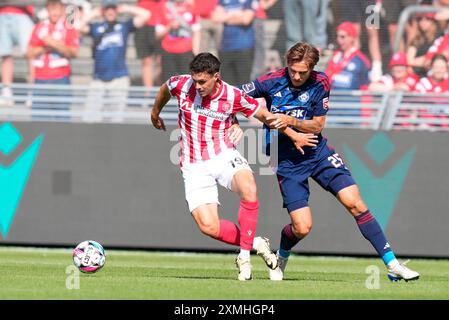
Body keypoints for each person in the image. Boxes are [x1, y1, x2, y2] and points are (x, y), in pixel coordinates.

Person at [240, 42, 420, 282]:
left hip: (318, 152)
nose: (296, 76)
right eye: (292, 70)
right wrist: (233, 121)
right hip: (287, 161)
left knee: (354, 202)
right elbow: (234, 95)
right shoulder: (271, 81)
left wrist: (288, 120)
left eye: (302, 72)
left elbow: (317, 125)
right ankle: (281, 256)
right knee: (302, 227)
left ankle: (393, 264)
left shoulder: (321, 82)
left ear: (312, 68)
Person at [150, 52, 318, 280]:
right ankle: (256, 242)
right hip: (193, 164)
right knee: (208, 226)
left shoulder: (232, 95)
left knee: (249, 188)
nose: (197, 86)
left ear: (216, 77)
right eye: (195, 80)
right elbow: (164, 89)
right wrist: (155, 113)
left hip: (223, 155)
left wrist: (292, 133)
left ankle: (244, 257)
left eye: (202, 82)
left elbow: (265, 116)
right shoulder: (181, 84)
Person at [77, 0, 150, 122]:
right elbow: (74, 25)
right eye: (107, 8)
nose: (110, 11)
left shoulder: (124, 26)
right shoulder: (96, 27)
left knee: (116, 119)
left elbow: (146, 15)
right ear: (103, 10)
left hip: (119, 78)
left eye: (113, 8)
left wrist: (126, 8)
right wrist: (93, 14)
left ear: (117, 10)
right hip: (98, 79)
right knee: (89, 118)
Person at [27, 0, 79, 114]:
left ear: (62, 9)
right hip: (40, 80)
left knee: (62, 119)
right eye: (51, 8)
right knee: (39, 122)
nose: (54, 12)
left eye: (57, 8)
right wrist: (46, 47)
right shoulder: (40, 27)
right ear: (47, 9)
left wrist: (54, 43)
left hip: (61, 79)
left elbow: (74, 52)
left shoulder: (68, 27)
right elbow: (29, 53)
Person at [211, 0, 256, 85]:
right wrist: (236, 14)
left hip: (244, 48)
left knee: (243, 86)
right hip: (225, 48)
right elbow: (215, 17)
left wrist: (225, 17)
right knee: (227, 86)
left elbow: (246, 19)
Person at [156, 0, 201, 83]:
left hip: (186, 52)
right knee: (168, 84)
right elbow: (158, 35)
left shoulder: (191, 7)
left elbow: (197, 31)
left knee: (188, 84)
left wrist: (195, 54)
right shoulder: (164, 7)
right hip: (168, 51)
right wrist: (169, 26)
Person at [0, 3, 35, 106]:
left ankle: (33, 92)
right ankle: (6, 94)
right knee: (5, 55)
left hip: (23, 14)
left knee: (31, 54)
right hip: (2, 12)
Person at [325, 21, 371, 90]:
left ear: (351, 38)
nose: (339, 40)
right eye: (337, 36)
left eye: (342, 37)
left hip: (351, 99)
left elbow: (365, 85)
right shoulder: (335, 57)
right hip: (333, 98)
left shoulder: (361, 60)